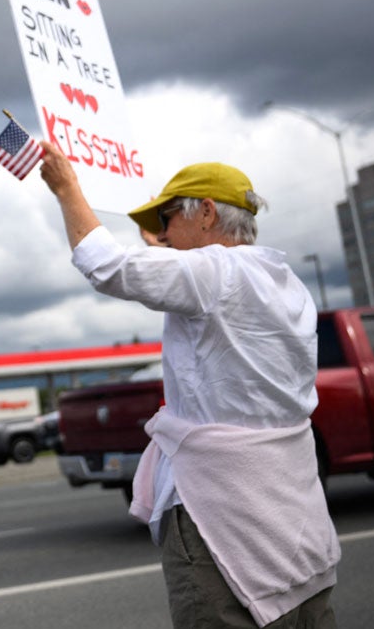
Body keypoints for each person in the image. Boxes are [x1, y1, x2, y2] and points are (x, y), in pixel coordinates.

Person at [37, 141, 339, 627]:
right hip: (293, 509)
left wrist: (66, 187)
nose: (161, 234)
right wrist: (162, 242)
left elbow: (107, 266)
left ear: (205, 212)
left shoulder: (215, 273)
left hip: (223, 513)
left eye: (167, 220)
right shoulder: (281, 279)